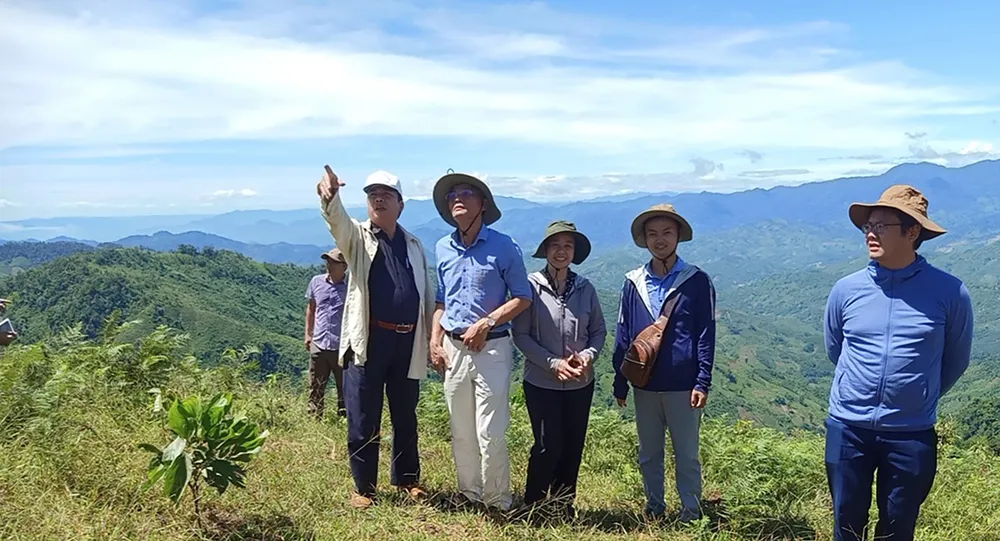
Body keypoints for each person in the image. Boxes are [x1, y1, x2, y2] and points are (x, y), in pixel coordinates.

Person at [823, 185, 974, 541]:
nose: (870, 233)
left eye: (881, 225)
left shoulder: (950, 293)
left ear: (912, 232)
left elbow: (955, 360)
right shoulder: (846, 290)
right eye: (867, 226)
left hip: (911, 432)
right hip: (848, 427)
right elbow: (835, 349)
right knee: (846, 526)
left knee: (898, 529)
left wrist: (918, 396)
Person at [316, 165, 436, 509]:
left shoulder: (414, 244)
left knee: (405, 415)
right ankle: (364, 488)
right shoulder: (358, 237)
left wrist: (430, 338)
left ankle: (407, 479)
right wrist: (331, 200)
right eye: (372, 195)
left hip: (407, 341)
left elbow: (425, 293)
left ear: (401, 204)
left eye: (386, 195)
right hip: (369, 340)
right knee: (362, 416)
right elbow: (337, 224)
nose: (378, 199)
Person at [428, 171, 532, 512]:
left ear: (483, 204)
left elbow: (522, 296)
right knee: (460, 428)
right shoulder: (443, 247)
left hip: (492, 347)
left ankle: (499, 500)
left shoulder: (504, 246)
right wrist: (434, 340)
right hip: (453, 347)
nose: (457, 198)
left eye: (466, 193)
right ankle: (469, 494)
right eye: (452, 194)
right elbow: (442, 301)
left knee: (492, 430)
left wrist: (486, 322)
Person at [610, 204, 716, 522]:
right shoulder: (634, 282)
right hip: (644, 384)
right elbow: (624, 333)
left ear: (678, 237)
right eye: (653, 234)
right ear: (644, 239)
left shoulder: (696, 281)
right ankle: (655, 507)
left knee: (686, 454)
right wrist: (619, 381)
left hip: (683, 384)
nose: (660, 240)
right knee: (649, 452)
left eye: (667, 233)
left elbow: (705, 333)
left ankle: (691, 511)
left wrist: (702, 380)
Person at [512, 220, 606, 518]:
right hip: (541, 382)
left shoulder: (585, 288)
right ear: (545, 251)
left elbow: (599, 331)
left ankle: (563, 505)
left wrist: (588, 356)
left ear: (574, 252)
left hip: (580, 382)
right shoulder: (530, 287)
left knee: (572, 446)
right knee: (546, 445)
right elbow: (521, 335)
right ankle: (534, 505)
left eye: (568, 246)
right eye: (555, 245)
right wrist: (552, 364)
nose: (561, 251)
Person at [304, 248, 349, 418]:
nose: (328, 265)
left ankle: (344, 419)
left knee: (344, 387)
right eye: (327, 261)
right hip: (319, 342)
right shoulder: (316, 282)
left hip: (342, 346)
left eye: (333, 262)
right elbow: (311, 308)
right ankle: (314, 419)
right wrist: (308, 334)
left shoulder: (351, 288)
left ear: (344, 266)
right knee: (316, 385)